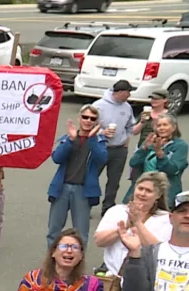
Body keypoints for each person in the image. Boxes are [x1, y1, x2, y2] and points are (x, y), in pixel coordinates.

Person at [47, 105, 107, 247]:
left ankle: (77, 264)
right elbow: (56, 158)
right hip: (62, 188)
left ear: (96, 122)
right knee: (54, 230)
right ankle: (52, 261)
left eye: (92, 119)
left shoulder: (99, 140)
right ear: (79, 118)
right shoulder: (68, 137)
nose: (88, 121)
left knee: (81, 233)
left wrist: (92, 139)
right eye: (85, 117)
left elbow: (102, 159)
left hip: (83, 191)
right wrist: (70, 140)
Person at [93, 80, 140, 214]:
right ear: (119, 92)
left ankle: (107, 207)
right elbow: (88, 126)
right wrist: (102, 132)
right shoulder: (98, 106)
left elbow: (130, 126)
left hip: (119, 149)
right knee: (92, 177)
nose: (129, 95)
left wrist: (127, 140)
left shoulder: (127, 107)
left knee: (114, 180)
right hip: (101, 147)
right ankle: (87, 204)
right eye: (127, 92)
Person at [126, 113, 187, 207]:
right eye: (159, 125)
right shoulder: (150, 142)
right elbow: (133, 163)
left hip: (165, 191)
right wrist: (144, 148)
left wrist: (160, 153)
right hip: (144, 188)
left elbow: (172, 170)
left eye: (165, 125)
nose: (161, 128)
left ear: (174, 127)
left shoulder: (180, 146)